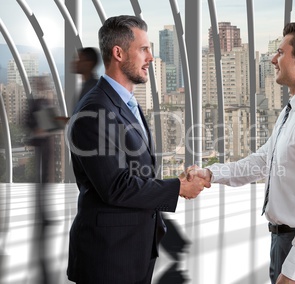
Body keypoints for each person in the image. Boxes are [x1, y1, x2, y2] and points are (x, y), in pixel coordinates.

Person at [187, 22, 295, 283]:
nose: (273, 59)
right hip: (282, 242)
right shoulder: (292, 111)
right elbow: (263, 161)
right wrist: (210, 173)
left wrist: (293, 271)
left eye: (281, 52)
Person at [66, 15, 210, 284]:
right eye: (144, 49)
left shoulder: (124, 102)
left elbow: (136, 171)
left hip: (133, 251)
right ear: (118, 53)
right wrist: (177, 187)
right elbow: (116, 186)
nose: (151, 58)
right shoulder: (95, 109)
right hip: (108, 259)